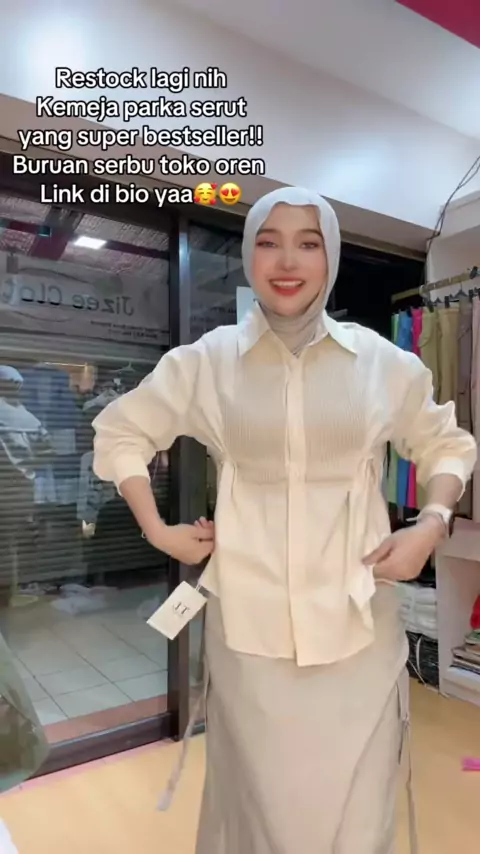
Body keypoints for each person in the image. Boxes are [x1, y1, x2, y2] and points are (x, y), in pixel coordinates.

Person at [92, 187, 476, 853]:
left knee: (357, 816)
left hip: (358, 625)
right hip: (251, 630)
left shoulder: (380, 363)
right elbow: (121, 431)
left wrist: (432, 522)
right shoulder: (210, 361)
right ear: (249, 255)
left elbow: (448, 444)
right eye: (269, 242)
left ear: (331, 256)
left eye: (308, 242)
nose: (288, 261)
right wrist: (157, 529)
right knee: (264, 813)